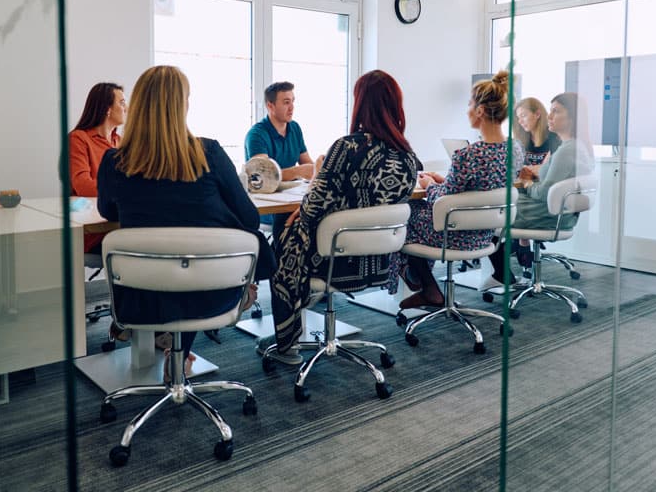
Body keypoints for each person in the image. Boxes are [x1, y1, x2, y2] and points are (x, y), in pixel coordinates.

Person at [98, 65, 276, 368]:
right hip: (214, 291)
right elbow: (248, 219)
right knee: (199, 259)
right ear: (182, 105)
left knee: (173, 266)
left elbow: (108, 211)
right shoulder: (209, 152)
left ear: (138, 106)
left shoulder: (115, 160)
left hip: (142, 293)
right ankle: (178, 355)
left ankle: (169, 346)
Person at [260, 70, 419, 364]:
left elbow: (313, 207)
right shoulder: (408, 157)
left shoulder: (346, 148)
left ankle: (287, 342)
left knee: (282, 246)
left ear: (360, 104)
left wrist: (313, 193)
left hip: (334, 261)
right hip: (378, 259)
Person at [390, 70, 517, 310]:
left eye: (469, 103)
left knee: (404, 214)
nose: (467, 109)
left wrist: (430, 185)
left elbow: (446, 198)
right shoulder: (515, 150)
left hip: (456, 235)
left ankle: (427, 288)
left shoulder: (468, 155)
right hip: (485, 234)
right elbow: (479, 188)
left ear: (480, 110)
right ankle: (422, 285)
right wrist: (443, 181)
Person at [489, 92, 595, 282]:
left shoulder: (567, 150)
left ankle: (502, 275)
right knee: (494, 207)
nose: (550, 116)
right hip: (554, 213)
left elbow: (545, 193)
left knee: (487, 212)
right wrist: (536, 175)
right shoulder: (574, 147)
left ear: (572, 118)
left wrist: (528, 183)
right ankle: (506, 268)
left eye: (556, 111)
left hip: (546, 215)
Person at [245, 82, 319, 247]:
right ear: (270, 106)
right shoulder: (256, 135)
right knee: (291, 215)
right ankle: (283, 263)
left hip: (289, 198)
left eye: (293, 101)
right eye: (286, 102)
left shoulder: (295, 128)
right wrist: (297, 171)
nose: (292, 107)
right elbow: (263, 178)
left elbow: (309, 165)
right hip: (268, 205)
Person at [68, 82, 126, 253]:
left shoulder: (120, 141)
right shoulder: (78, 139)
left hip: (119, 224)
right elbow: (82, 185)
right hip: (96, 232)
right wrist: (124, 191)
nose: (127, 108)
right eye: (122, 103)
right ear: (107, 109)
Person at [513, 96, 561, 167]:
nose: (520, 121)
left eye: (523, 115)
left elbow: (550, 168)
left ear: (537, 114)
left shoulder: (554, 136)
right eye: (518, 117)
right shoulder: (521, 139)